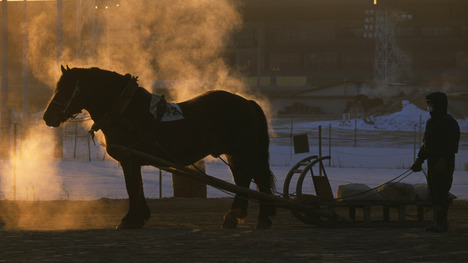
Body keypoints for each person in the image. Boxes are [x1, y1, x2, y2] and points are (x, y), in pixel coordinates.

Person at [411, 92, 460, 232]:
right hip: (432, 162)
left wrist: (443, 161)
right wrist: (419, 161)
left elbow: (450, 145)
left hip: (444, 163)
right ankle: (437, 222)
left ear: (439, 105)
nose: (429, 107)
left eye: (431, 104)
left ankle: (442, 223)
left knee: (441, 192)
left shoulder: (449, 122)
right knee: (434, 193)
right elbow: (427, 144)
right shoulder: (431, 122)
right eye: (428, 104)